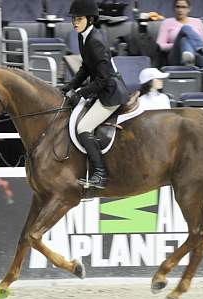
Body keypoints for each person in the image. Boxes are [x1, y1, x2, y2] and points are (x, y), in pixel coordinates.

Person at [60, 0, 129, 190]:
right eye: (74, 19)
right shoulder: (84, 36)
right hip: (101, 88)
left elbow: (103, 79)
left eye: (79, 19)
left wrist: (81, 92)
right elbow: (85, 68)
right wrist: (70, 85)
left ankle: (100, 174)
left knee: (83, 127)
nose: (75, 22)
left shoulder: (95, 41)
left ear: (90, 19)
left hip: (110, 93)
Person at [156, 0, 203, 66]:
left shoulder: (198, 22)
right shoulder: (167, 22)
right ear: (174, 8)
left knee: (185, 36)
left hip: (198, 57)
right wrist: (179, 44)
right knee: (185, 32)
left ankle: (189, 58)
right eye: (178, 7)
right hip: (176, 57)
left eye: (183, 7)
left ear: (189, 9)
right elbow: (160, 46)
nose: (180, 10)